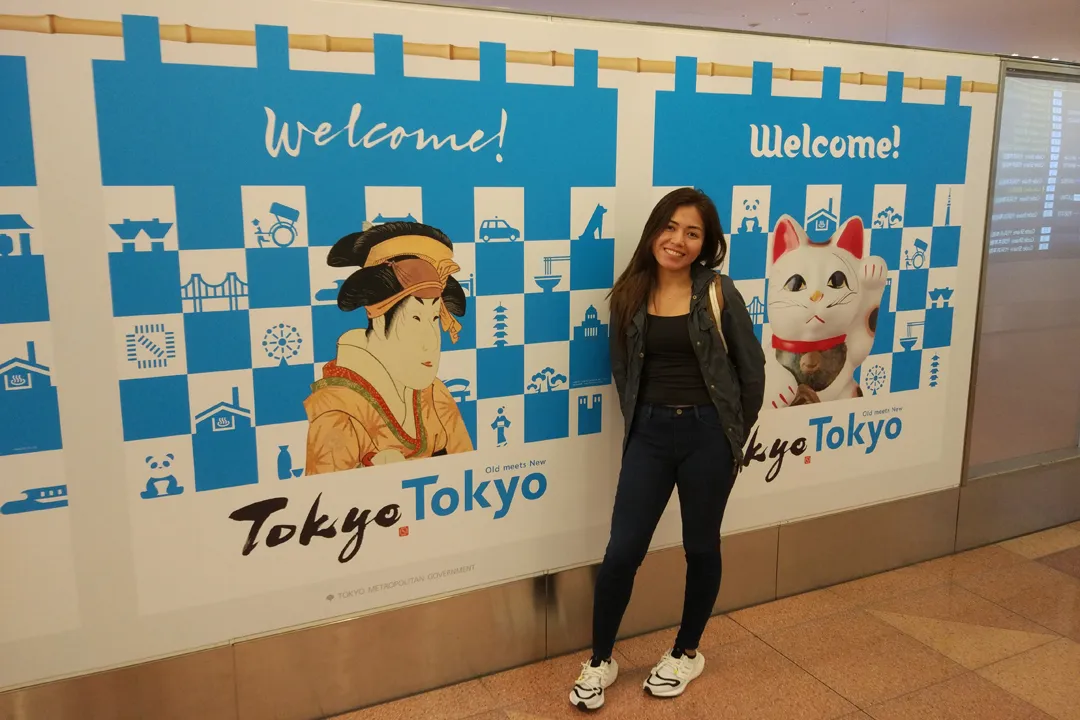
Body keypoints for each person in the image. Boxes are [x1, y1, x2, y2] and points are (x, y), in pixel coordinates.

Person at [569, 188, 765, 711]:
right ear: (655, 229)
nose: (678, 240)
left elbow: (753, 373)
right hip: (650, 436)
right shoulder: (630, 293)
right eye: (671, 227)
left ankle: (686, 651)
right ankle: (600, 659)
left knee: (701, 546)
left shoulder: (719, 293)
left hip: (708, 436)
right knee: (621, 553)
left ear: (706, 244)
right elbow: (621, 371)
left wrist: (731, 439)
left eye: (693, 232)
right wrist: (641, 426)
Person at [304, 221, 474, 474]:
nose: (431, 341)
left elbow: (469, 470)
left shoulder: (435, 394)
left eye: (435, 319)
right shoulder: (339, 414)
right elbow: (327, 503)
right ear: (380, 316)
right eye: (416, 318)